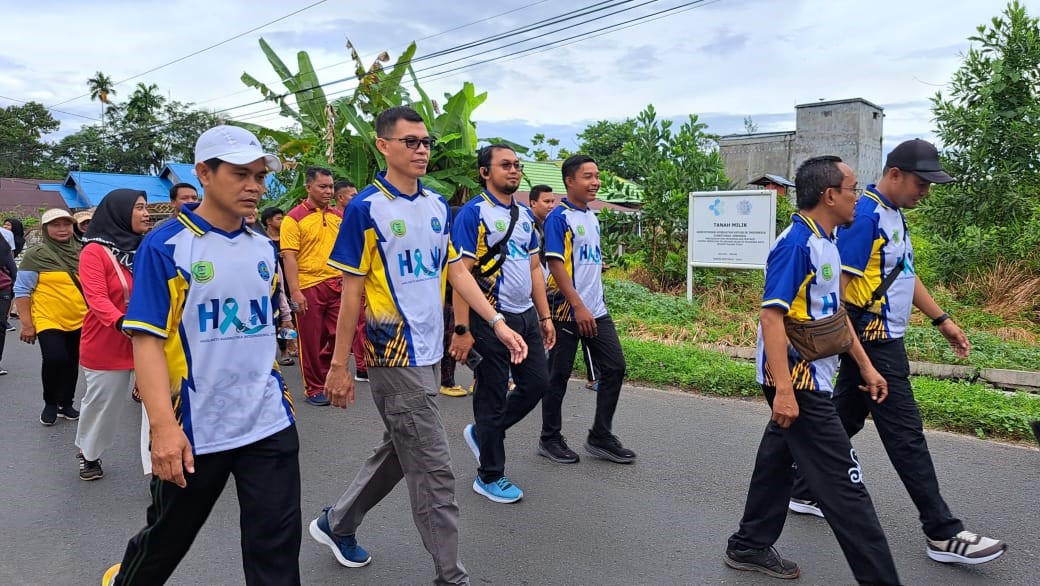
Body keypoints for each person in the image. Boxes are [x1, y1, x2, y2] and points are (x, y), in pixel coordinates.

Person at [309, 106, 527, 586]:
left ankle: (337, 523)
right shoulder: (366, 208)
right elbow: (351, 293)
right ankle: (451, 576)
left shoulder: (436, 205)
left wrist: (496, 322)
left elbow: (455, 271)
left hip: (430, 349)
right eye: (410, 141)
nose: (422, 149)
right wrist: (340, 364)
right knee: (434, 468)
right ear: (383, 145)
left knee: (400, 447)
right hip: (391, 350)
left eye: (426, 142)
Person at [788, 139, 1007, 565]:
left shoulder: (893, 215)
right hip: (872, 340)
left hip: (880, 339)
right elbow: (837, 295)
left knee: (844, 417)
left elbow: (904, 272)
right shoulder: (865, 218)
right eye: (921, 183)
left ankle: (803, 489)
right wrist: (860, 356)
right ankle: (942, 532)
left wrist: (942, 320)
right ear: (894, 175)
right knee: (906, 434)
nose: (925, 192)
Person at [102, 125, 300, 586]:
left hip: (268, 420)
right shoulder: (167, 245)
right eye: (240, 174)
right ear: (204, 174)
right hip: (195, 428)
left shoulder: (263, 247)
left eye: (259, 176)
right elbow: (147, 340)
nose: (254, 186)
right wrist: (163, 429)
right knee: (166, 539)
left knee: (276, 545)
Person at [724, 155, 900, 584]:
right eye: (853, 188)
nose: (858, 196)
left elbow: (834, 314)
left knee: (778, 459)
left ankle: (749, 544)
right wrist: (785, 391)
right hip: (797, 378)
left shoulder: (828, 241)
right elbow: (771, 317)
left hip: (813, 375)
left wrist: (865, 366)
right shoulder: (796, 244)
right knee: (847, 487)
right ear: (830, 195)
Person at [448, 145, 554, 503]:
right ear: (485, 172)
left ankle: (484, 433)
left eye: (517, 165)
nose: (514, 170)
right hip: (489, 317)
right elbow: (460, 275)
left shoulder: (524, 215)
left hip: (525, 315)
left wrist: (544, 316)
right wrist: (462, 329)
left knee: (537, 383)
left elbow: (535, 267)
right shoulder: (473, 213)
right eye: (505, 165)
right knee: (491, 395)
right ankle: (490, 475)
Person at [539, 155, 635, 464]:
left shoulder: (591, 216)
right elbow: (555, 264)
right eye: (588, 176)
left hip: (596, 309)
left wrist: (595, 270)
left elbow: (578, 259)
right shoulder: (559, 217)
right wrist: (578, 306)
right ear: (570, 181)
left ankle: (600, 436)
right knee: (558, 376)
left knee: (615, 367)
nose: (596, 182)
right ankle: (549, 438)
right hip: (567, 310)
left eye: (597, 176)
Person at [74, 189, 151, 481]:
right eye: (139, 207)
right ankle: (89, 452)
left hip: (148, 338)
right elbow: (96, 298)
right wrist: (122, 323)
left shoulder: (147, 248)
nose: (146, 214)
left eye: (146, 207)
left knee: (159, 403)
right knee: (102, 403)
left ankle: (158, 462)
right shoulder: (94, 251)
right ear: (119, 212)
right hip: (107, 339)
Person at [14, 208, 87, 426]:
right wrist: (27, 324)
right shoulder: (35, 255)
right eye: (56, 225)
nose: (62, 229)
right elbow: (22, 290)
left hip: (81, 317)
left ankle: (66, 403)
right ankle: (50, 402)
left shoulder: (84, 251)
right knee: (55, 358)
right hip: (48, 318)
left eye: (66, 224)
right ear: (46, 229)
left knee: (72, 360)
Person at [281, 166, 344, 406]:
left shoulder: (338, 216)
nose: (329, 191)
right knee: (311, 341)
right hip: (309, 285)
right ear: (308, 187)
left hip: (338, 283)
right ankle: (314, 387)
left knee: (339, 335)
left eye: (331, 187)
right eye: (323, 186)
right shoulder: (293, 218)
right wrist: (295, 292)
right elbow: (289, 257)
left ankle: (327, 376)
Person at [530, 184, 597, 391]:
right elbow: (548, 263)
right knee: (543, 341)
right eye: (546, 201)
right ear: (533, 203)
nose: (550, 205)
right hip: (546, 293)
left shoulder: (585, 218)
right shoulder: (535, 225)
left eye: (552, 201)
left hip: (560, 292)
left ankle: (593, 376)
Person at [261, 206, 299, 366]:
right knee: (279, 317)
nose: (282, 221)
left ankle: (291, 344)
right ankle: (284, 351)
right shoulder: (262, 240)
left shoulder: (286, 238)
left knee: (291, 315)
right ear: (268, 222)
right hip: (273, 284)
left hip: (290, 282)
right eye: (278, 219)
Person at [438, 205, 467, 398]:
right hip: (449, 297)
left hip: (452, 296)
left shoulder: (455, 241)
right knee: (449, 339)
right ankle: (446, 381)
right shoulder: (451, 243)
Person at [0, 234, 15, 371]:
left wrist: (14, 290)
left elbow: (11, 265)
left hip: (2, 289)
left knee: (0, 326)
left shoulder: (2, 243)